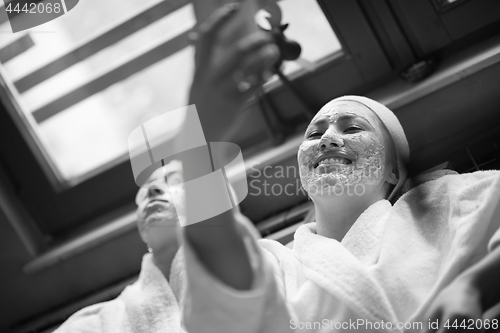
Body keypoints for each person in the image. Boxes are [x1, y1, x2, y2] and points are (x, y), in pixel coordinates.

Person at [177, 4, 500, 333]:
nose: (327, 140)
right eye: (315, 134)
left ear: (394, 172)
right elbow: (221, 275)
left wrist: (476, 284)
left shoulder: (444, 204)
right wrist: (199, 135)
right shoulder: (277, 262)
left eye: (353, 129)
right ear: (303, 181)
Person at [53, 161, 188, 333]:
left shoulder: (231, 277)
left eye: (175, 182)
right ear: (141, 228)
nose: (152, 190)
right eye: (143, 195)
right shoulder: (93, 323)